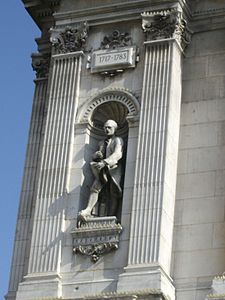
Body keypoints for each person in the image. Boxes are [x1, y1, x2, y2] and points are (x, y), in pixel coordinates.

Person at [79, 120, 124, 221]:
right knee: (95, 186)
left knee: (114, 191)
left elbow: (118, 154)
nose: (106, 129)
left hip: (113, 168)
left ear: (114, 129)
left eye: (109, 127)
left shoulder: (118, 140)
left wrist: (105, 162)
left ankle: (112, 216)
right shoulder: (101, 143)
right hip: (102, 168)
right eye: (105, 128)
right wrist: (96, 156)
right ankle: (88, 209)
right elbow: (97, 156)